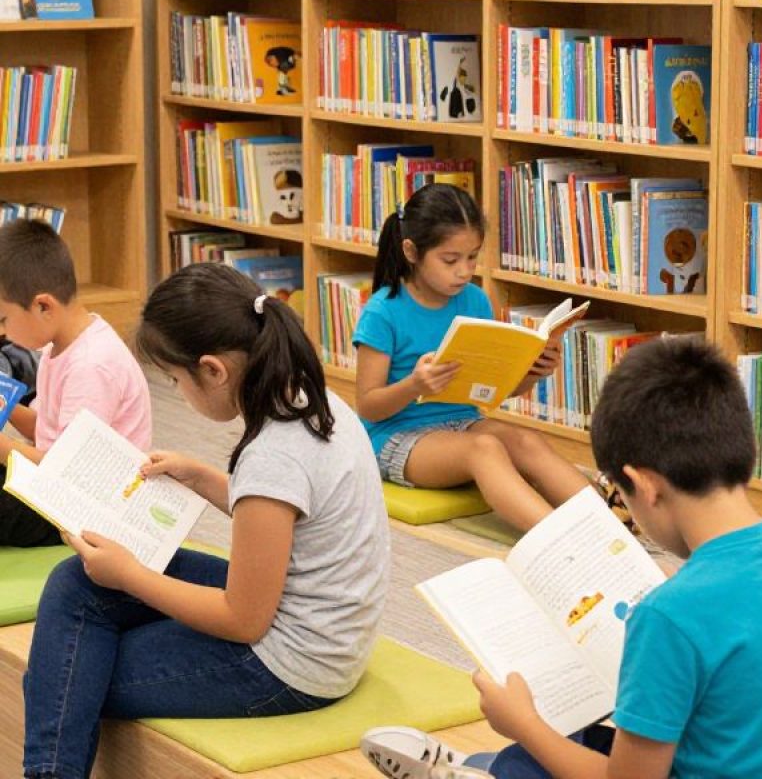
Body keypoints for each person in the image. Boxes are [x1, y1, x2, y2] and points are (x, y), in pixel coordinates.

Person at [361, 338, 762, 779]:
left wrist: (524, 724)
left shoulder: (672, 615)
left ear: (644, 486)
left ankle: (485, 770)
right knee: (586, 739)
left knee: (536, 751)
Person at [21, 263, 389, 779]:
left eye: (174, 379)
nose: (176, 390)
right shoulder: (310, 396)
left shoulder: (273, 454)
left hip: (291, 664)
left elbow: (243, 619)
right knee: (74, 584)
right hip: (316, 619)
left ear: (214, 370)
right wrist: (201, 476)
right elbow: (287, 514)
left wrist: (129, 575)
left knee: (67, 671)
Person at [353, 183, 588, 532]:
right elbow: (368, 406)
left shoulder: (475, 300)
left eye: (472, 257)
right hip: (397, 437)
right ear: (411, 252)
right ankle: (559, 541)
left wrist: (534, 371)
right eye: (450, 260)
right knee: (485, 449)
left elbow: (495, 390)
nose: (464, 270)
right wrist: (413, 384)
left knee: (526, 441)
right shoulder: (383, 312)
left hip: (463, 423)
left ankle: (611, 524)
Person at [0, 219, 150, 548]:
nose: (2, 333)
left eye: (4, 320)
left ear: (43, 306)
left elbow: (72, 469)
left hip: (84, 508)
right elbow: (49, 429)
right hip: (59, 486)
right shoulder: (62, 347)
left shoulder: (91, 367)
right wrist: (8, 409)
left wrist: (5, 450)